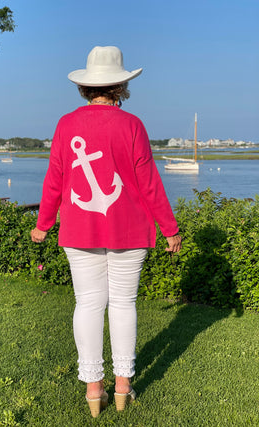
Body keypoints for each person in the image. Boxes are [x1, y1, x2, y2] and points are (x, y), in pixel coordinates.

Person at [31, 46, 182, 418]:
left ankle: (93, 390)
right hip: (129, 230)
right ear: (121, 86)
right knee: (123, 304)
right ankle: (123, 385)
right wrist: (170, 228)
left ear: (85, 86)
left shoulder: (66, 125)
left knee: (88, 303)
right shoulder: (133, 126)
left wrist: (43, 224)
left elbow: (55, 180)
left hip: (80, 229)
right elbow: (149, 184)